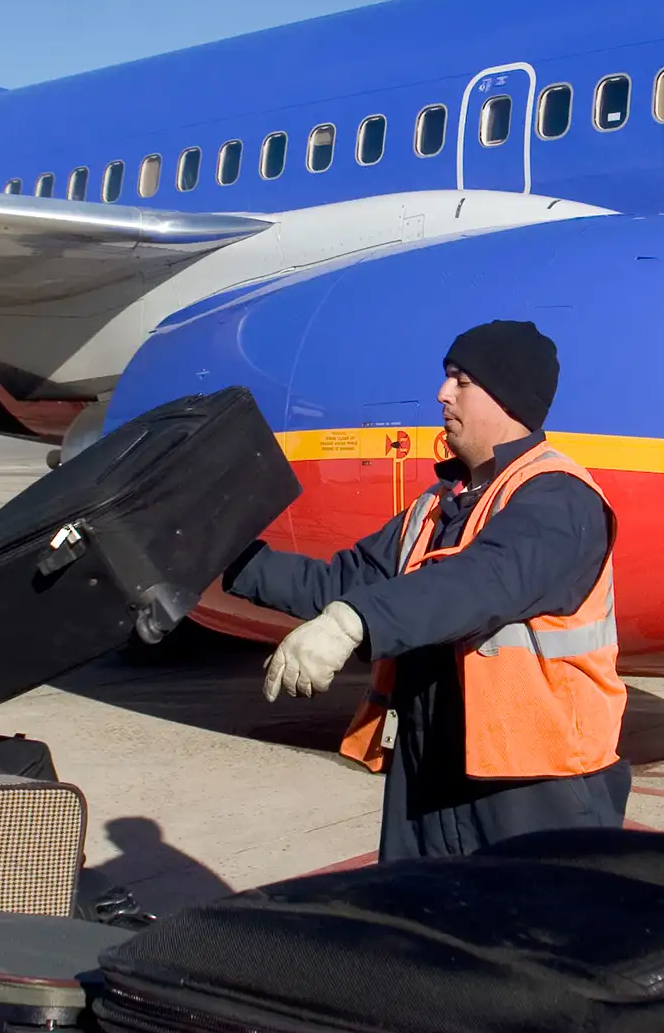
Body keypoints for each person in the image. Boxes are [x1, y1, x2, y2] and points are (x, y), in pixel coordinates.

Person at [224, 319, 630, 860]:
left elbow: (481, 582)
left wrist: (352, 622)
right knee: (414, 937)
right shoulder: (437, 506)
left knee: (526, 943)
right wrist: (224, 561)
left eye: (461, 380)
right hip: (429, 776)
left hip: (533, 789)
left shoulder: (559, 500)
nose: (442, 393)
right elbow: (344, 581)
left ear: (506, 396)